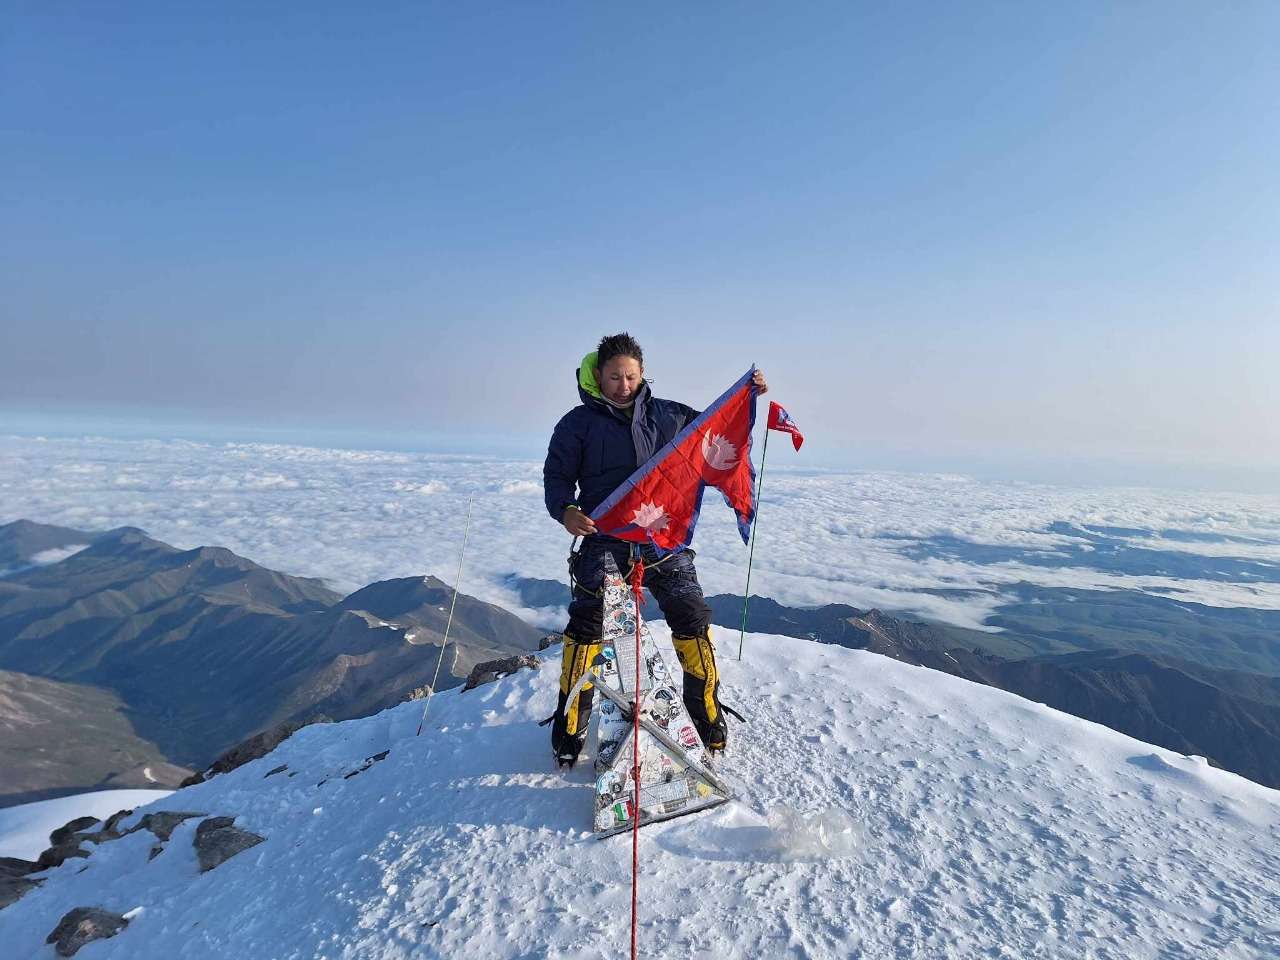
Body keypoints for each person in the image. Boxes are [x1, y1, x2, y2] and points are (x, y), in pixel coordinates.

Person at [542, 332, 767, 767]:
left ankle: (707, 717)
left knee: (691, 617)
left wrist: (750, 397)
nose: (622, 385)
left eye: (630, 376)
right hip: (604, 538)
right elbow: (557, 479)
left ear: (642, 374)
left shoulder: (670, 416)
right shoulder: (577, 424)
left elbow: (719, 430)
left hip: (664, 539)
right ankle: (570, 728)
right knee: (589, 625)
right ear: (598, 376)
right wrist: (566, 510)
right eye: (613, 377)